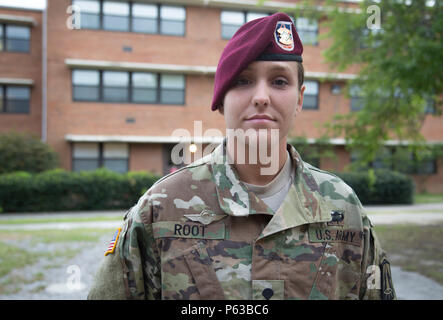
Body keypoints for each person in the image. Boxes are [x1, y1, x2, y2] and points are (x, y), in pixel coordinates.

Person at [88, 12, 395, 300]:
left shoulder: (344, 208)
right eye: (243, 81)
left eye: (279, 81)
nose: (261, 97)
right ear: (221, 100)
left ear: (300, 99)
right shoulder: (160, 209)